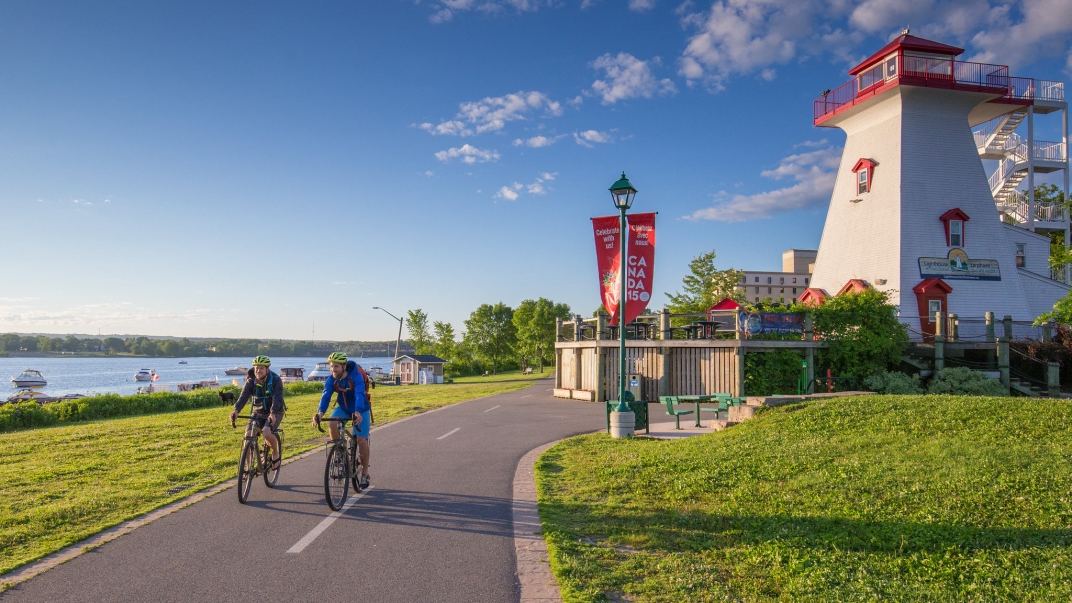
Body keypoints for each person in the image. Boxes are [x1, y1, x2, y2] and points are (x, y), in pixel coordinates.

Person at [312, 352, 371, 489]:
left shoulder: (356, 377)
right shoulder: (332, 379)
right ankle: (339, 452)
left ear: (344, 366)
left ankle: (365, 474)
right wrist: (320, 413)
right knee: (332, 423)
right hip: (344, 408)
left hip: (361, 409)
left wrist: (357, 411)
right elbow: (326, 395)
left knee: (361, 440)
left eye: (336, 366)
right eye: (331, 366)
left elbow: (360, 394)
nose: (333, 369)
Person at [229, 355, 284, 471]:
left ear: (267, 369)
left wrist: (273, 413)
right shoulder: (251, 381)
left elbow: (277, 398)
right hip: (258, 412)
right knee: (248, 436)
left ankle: (275, 454)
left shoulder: (276, 380)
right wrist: (236, 411)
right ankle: (248, 469)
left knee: (266, 432)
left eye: (261, 368)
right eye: (256, 368)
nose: (258, 371)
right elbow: (243, 397)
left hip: (276, 411)